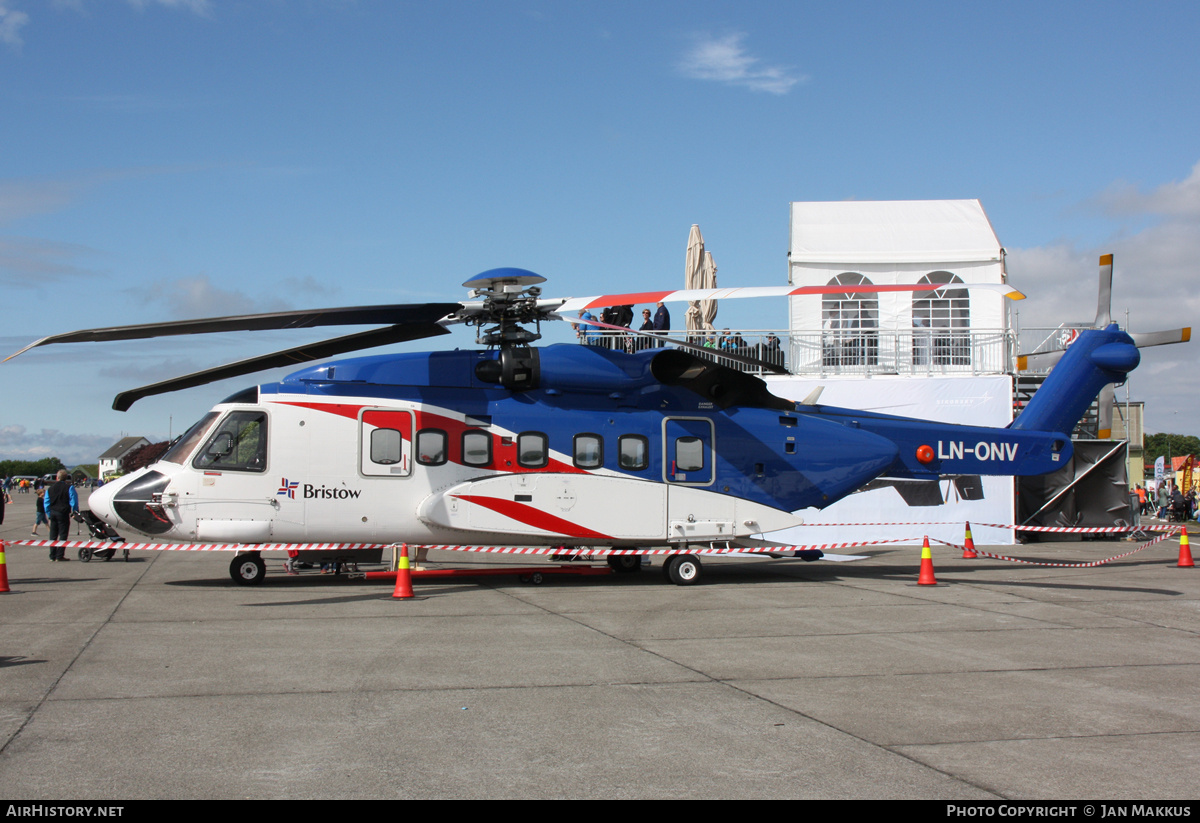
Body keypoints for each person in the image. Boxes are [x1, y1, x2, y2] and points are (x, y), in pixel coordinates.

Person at [45, 469, 79, 561]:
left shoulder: (50, 489)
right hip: (63, 513)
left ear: (57, 477)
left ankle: (52, 555)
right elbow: (73, 501)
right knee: (63, 534)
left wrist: (48, 513)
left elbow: (46, 503)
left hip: (53, 512)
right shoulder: (69, 488)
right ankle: (60, 555)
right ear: (66, 478)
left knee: (53, 535)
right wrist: (75, 511)